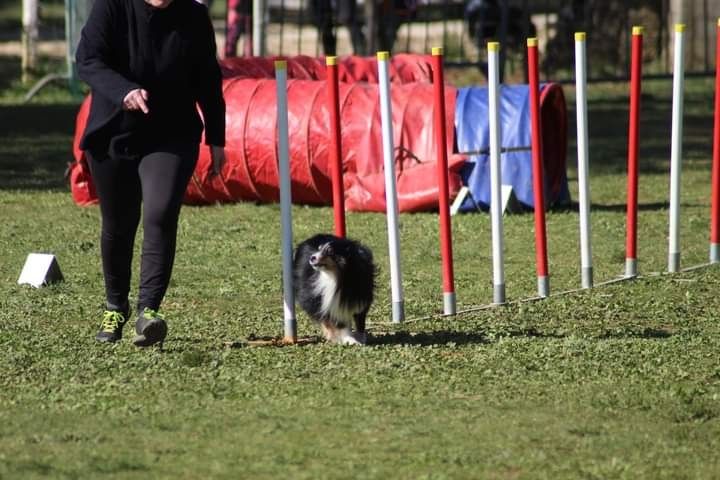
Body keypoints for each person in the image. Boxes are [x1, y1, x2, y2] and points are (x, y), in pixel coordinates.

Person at [76, 0, 226, 346]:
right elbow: (88, 60)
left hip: (172, 134)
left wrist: (217, 137)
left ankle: (149, 312)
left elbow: (207, 77)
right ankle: (115, 306)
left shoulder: (194, 15)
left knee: (160, 211)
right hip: (115, 132)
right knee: (118, 222)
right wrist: (123, 90)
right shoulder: (112, 7)